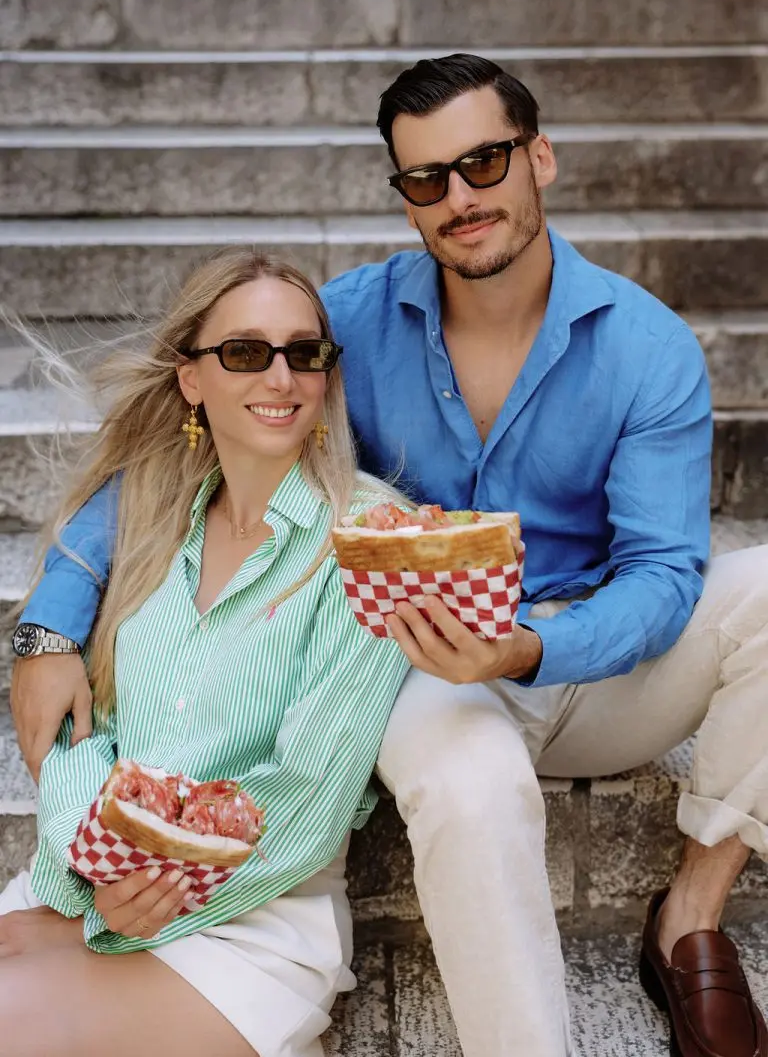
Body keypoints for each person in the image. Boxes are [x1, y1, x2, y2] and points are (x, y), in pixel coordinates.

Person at [11, 55, 768, 1057]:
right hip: (426, 666)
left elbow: (666, 577)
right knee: (469, 784)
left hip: (596, 658)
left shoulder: (647, 346)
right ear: (405, 196)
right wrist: (51, 620)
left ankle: (692, 915)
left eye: (484, 162)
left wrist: (531, 647)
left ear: (539, 157)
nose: (460, 197)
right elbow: (180, 452)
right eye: (426, 178)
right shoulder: (344, 327)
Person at [1, 248, 411, 1057]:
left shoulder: (370, 541)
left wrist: (125, 908)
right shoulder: (148, 524)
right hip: (100, 880)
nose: (281, 377)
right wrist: (93, 873)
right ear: (191, 378)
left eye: (304, 352)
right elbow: (85, 735)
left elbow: (309, 793)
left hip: (253, 923)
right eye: (246, 352)